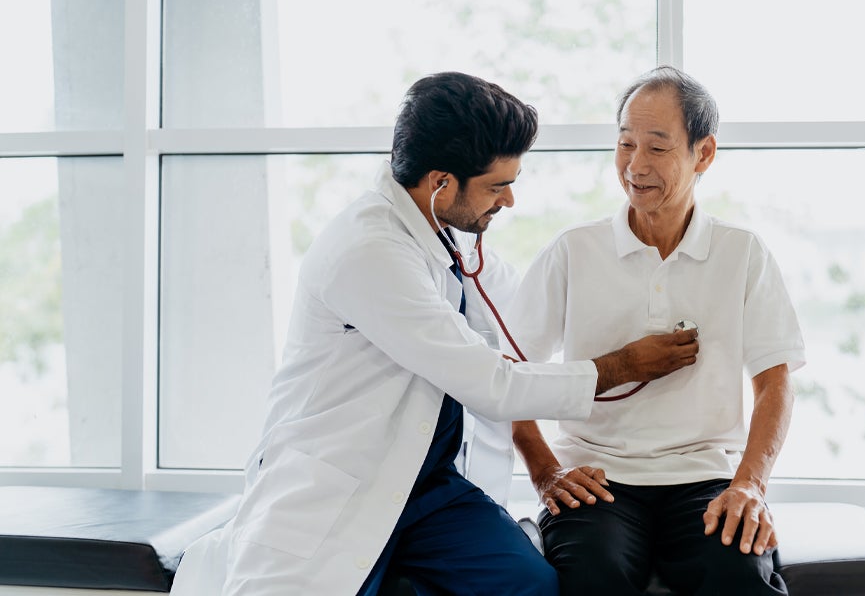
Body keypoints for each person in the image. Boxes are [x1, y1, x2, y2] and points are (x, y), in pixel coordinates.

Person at [170, 71, 703, 596]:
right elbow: (491, 383)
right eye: (499, 186)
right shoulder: (368, 251)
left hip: (431, 490)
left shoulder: (450, 238)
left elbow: (525, 316)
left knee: (531, 586)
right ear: (440, 183)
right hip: (340, 484)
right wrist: (624, 365)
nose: (510, 202)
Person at [506, 65, 806, 595]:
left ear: (703, 154)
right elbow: (509, 375)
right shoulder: (575, 250)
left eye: (658, 148)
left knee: (737, 573)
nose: (635, 166)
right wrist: (546, 472)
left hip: (706, 475)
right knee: (591, 576)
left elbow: (774, 383)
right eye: (625, 145)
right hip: (597, 480)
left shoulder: (742, 253)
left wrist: (750, 485)